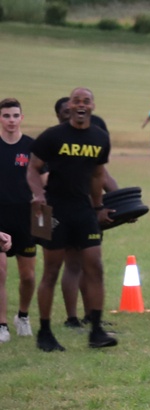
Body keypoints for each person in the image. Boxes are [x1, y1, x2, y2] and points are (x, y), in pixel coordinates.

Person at [27, 87, 117, 351]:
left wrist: (100, 206)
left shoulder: (100, 138)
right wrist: (38, 194)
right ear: (69, 106)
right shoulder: (52, 136)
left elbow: (98, 175)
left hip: (84, 211)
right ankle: (45, 333)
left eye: (86, 101)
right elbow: (32, 168)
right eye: (76, 101)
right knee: (51, 271)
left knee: (95, 266)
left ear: (92, 106)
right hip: (52, 210)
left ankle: (97, 331)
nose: (81, 105)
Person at [52, 97, 118, 329]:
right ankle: (71, 318)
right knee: (72, 265)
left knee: (91, 265)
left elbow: (107, 181)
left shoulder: (89, 148)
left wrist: (123, 208)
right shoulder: (56, 143)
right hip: (64, 211)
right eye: (64, 112)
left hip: (89, 214)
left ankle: (91, 315)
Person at [0, 98, 37, 341]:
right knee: (0, 272)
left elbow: (43, 182)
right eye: (6, 116)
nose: (11, 120)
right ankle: (2, 325)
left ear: (22, 118)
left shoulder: (32, 147)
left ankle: (22, 316)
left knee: (28, 276)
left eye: (15, 115)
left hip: (26, 219)